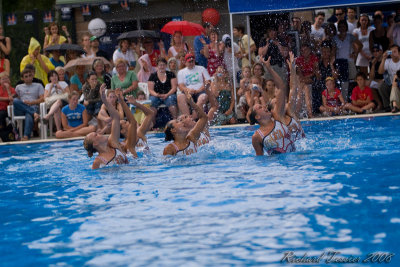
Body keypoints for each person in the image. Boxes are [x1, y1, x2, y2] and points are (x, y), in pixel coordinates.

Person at [249, 57, 294, 156]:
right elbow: (260, 158)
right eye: (260, 108)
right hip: (274, 167)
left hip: (294, 160)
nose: (264, 107)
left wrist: (269, 68)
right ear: (257, 117)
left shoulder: (277, 116)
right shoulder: (256, 137)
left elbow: (281, 87)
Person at [83, 85, 128, 169]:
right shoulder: (98, 162)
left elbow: (116, 117)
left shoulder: (113, 142)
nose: (99, 133)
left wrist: (105, 100)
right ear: (95, 143)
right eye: (96, 135)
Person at [163, 92, 208, 156]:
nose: (182, 122)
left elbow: (204, 118)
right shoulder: (170, 148)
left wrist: (192, 103)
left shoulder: (192, 137)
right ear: (173, 130)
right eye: (177, 122)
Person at [334, 20, 362, 101]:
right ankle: (343, 100)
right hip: (339, 62)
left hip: (349, 61)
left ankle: (352, 97)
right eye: (340, 26)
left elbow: (360, 45)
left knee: (353, 79)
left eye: (343, 26)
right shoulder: (335, 38)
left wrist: (355, 54)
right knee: (342, 81)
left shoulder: (350, 36)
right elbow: (333, 51)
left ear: (346, 27)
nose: (342, 28)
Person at [13, 69, 44, 141]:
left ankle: (26, 136)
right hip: (21, 109)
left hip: (33, 106)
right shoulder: (18, 87)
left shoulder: (38, 85)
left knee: (29, 114)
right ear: (22, 78)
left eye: (30, 76)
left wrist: (31, 103)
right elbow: (15, 100)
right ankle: (34, 113)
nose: (28, 78)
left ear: (33, 76)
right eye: (26, 76)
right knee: (15, 101)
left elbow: (42, 99)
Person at [295, 43, 319, 118]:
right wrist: (304, 79)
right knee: (304, 86)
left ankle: (297, 112)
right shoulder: (299, 59)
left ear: (309, 50)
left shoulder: (314, 58)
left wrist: (306, 78)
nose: (303, 52)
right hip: (303, 79)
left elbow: (315, 72)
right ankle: (309, 112)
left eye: (305, 50)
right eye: (302, 51)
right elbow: (299, 72)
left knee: (302, 84)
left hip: (312, 78)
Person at [378, 45, 400, 111]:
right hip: (391, 84)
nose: (393, 53)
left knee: (395, 83)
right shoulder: (388, 61)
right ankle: (387, 106)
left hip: (398, 84)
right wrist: (383, 59)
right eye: (391, 52)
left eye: (395, 51)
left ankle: (395, 106)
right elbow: (380, 72)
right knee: (381, 86)